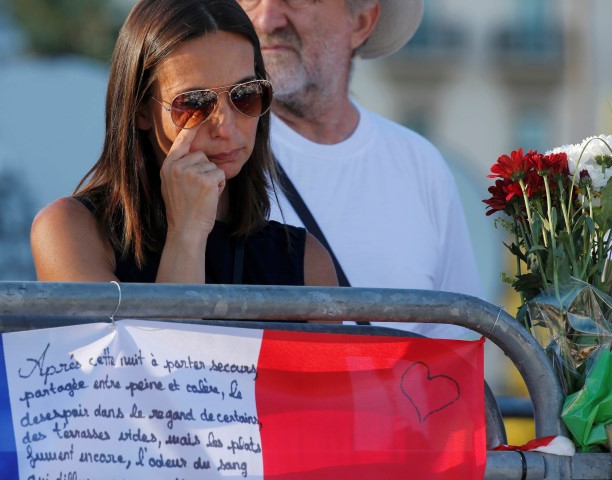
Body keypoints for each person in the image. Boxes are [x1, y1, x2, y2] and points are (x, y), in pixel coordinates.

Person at [30, 0, 337, 288]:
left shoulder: (306, 262)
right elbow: (166, 347)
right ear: (140, 110)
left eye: (245, 94)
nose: (225, 127)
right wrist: (187, 233)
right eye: (193, 103)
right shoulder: (70, 231)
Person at [238, 0, 483, 337]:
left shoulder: (420, 166)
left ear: (361, 23)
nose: (266, 18)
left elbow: (458, 349)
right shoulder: (220, 154)